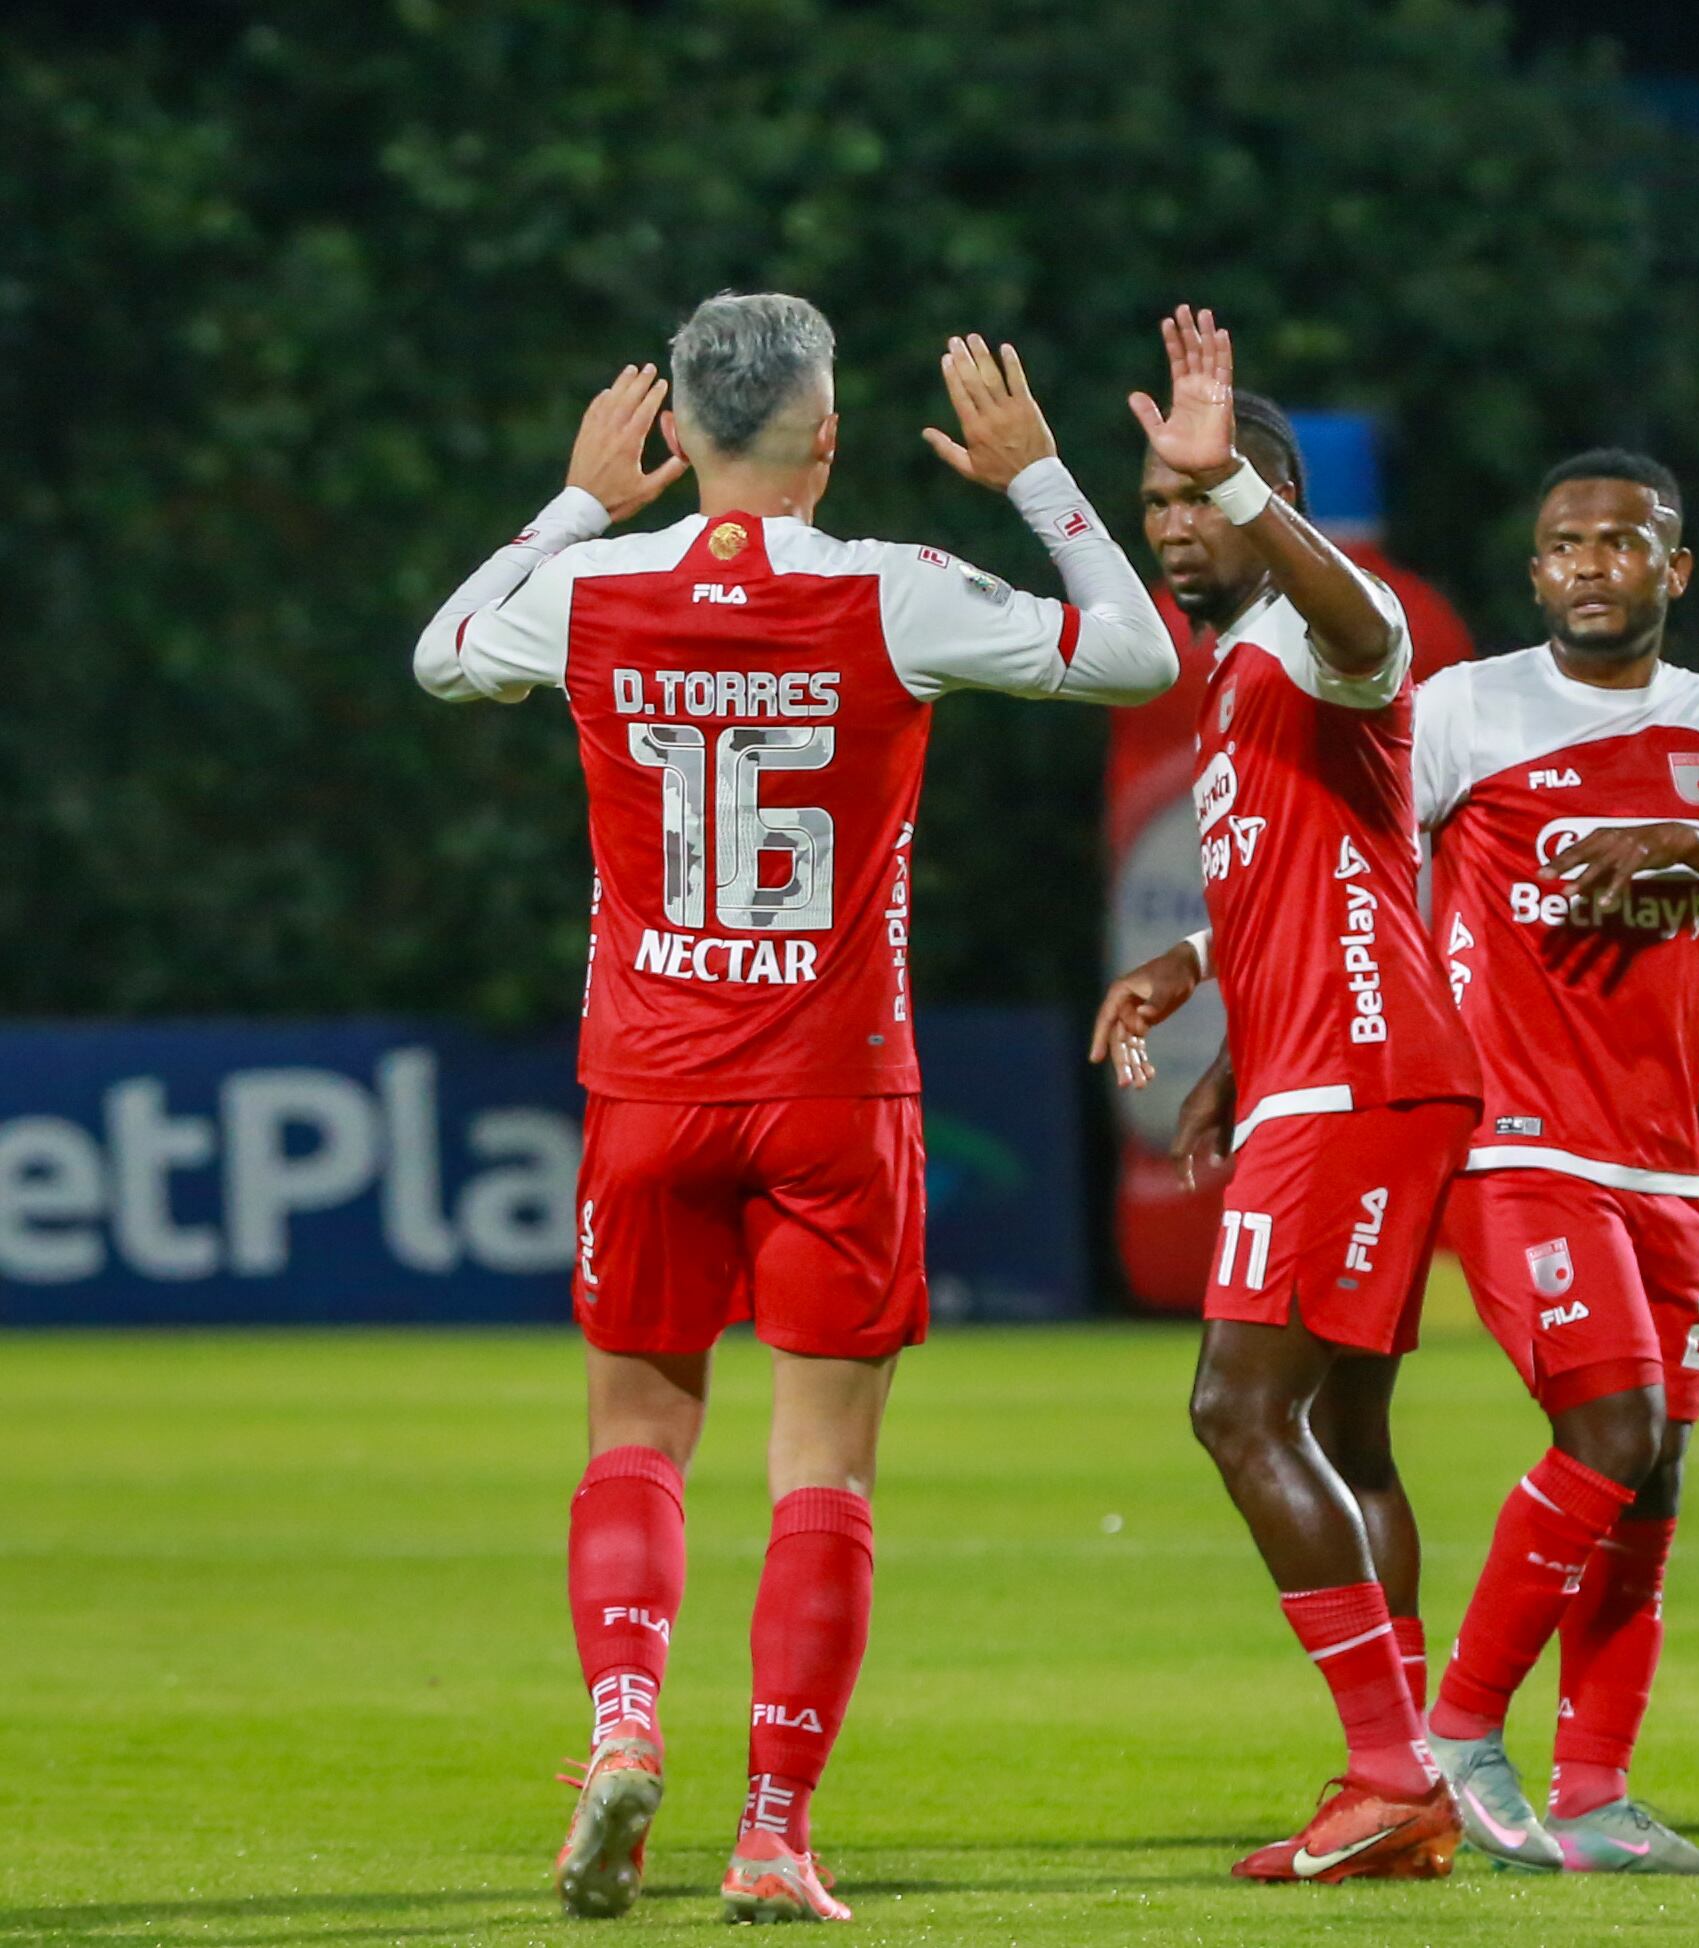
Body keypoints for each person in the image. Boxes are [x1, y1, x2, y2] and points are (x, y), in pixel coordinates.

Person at [412, 292, 1177, 1920]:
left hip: (649, 1083)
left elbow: (437, 654)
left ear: (675, 434)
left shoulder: (591, 592)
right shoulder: (897, 593)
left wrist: (571, 502)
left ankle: (624, 1720)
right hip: (833, 1089)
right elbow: (1135, 654)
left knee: (637, 1433)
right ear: (828, 437)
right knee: (821, 1467)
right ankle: (772, 1827)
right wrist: (1040, 479)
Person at [1087, 307, 1482, 1882]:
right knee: (1345, 1429)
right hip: (1323, 1072)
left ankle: (1393, 1775)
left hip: (1367, 1079)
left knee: (1236, 1410)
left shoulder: (1326, 629)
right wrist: (1210, 992)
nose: (1175, 524)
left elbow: (1375, 634)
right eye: (1161, 504)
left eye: (1201, 497)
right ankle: (1407, 1775)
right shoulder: (1237, 677)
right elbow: (1319, 873)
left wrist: (1253, 501)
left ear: (1270, 501)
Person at [1413, 450, 1699, 1872]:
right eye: (1563, 544)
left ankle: (1595, 1793)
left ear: (1676, 570)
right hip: (1512, 1141)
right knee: (1607, 1430)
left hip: (1660, 1163)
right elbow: (1340, 866)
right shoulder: (1463, 709)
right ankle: (1458, 1735)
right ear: (1533, 570)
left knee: (1652, 1478)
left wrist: (1688, 842)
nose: (1589, 562)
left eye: (1622, 542)